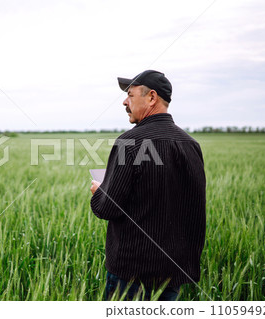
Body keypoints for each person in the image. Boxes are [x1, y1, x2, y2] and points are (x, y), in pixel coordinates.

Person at [90, 70, 206, 301]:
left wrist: (99, 191)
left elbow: (107, 208)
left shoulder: (129, 142)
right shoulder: (190, 144)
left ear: (151, 97)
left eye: (130, 95)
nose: (124, 101)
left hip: (131, 271)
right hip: (175, 269)